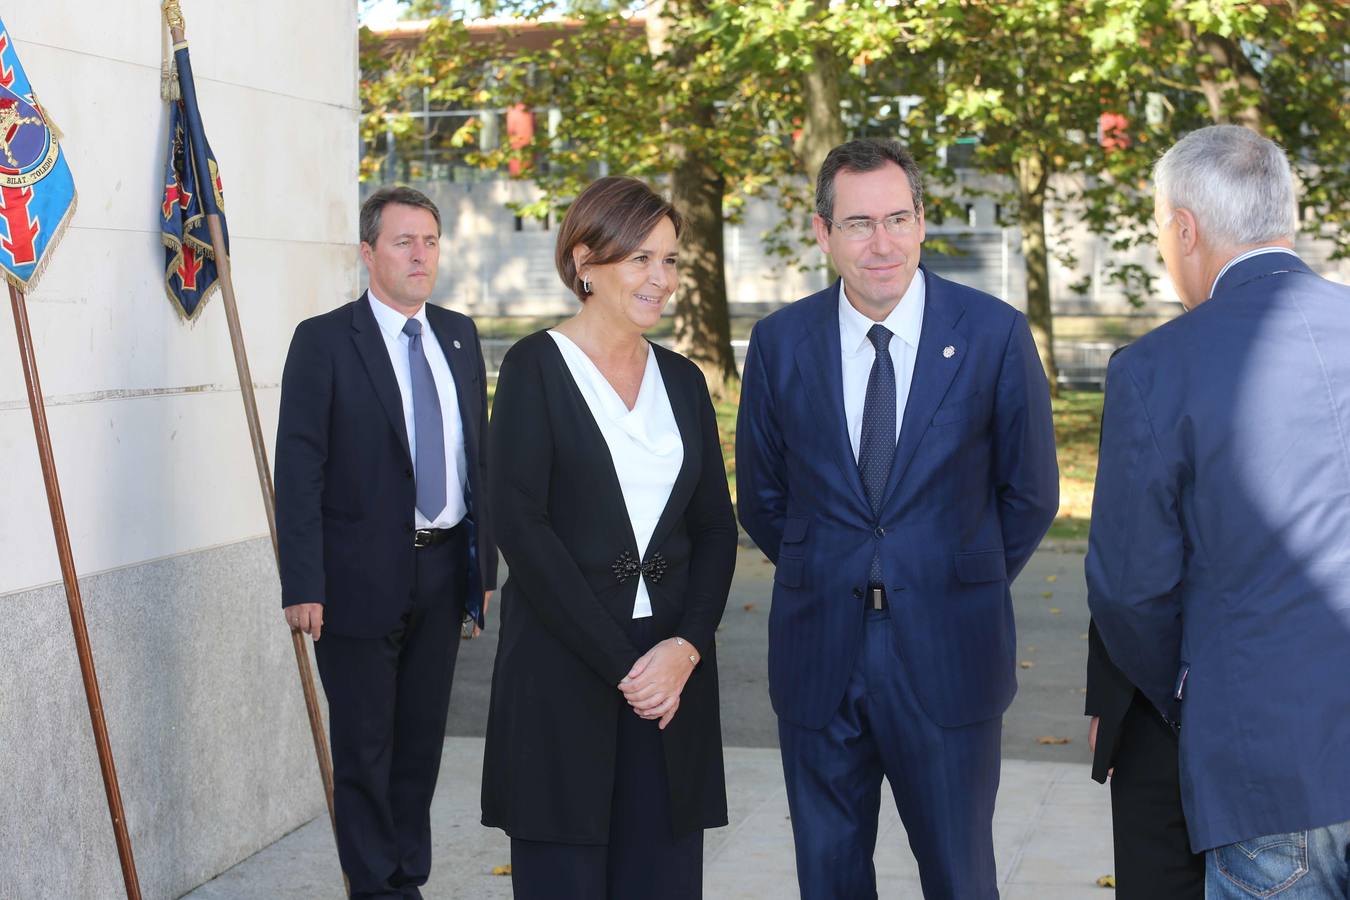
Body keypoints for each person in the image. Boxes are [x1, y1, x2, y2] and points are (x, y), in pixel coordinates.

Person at [736, 138, 1059, 899]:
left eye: (896, 218)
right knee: (830, 876)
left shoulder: (993, 334)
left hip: (950, 653)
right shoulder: (780, 342)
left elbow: (1031, 493)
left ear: (922, 222)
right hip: (820, 654)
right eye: (857, 223)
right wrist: (830, 572)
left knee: (958, 875)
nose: (880, 243)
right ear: (823, 233)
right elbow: (762, 496)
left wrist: (952, 574)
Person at [1087, 124, 1350, 896]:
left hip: (1266, 770)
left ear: (1186, 228)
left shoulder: (1156, 368)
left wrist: (1197, 690)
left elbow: (1132, 591)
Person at [481, 176, 738, 899]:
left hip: (672, 681)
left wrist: (686, 647)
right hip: (565, 674)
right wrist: (629, 666)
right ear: (586, 264)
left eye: (671, 260)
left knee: (662, 881)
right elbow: (521, 530)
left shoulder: (685, 381)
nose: (661, 278)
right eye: (640, 260)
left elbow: (717, 529)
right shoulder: (535, 366)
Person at [274, 185, 497, 899]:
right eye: (404, 242)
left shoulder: (459, 337)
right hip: (356, 579)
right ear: (368, 253)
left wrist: (481, 565)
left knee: (420, 743)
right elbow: (299, 469)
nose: (420, 255)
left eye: (430, 241)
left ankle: (409, 877)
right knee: (365, 747)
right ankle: (374, 886)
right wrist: (301, 581)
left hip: (443, 570)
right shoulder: (324, 340)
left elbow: (477, 459)